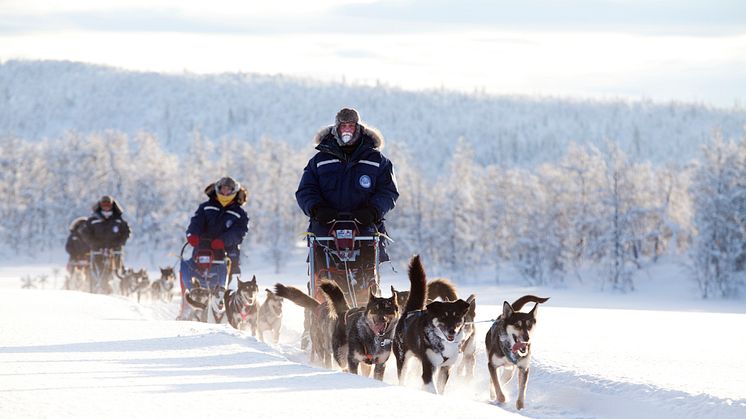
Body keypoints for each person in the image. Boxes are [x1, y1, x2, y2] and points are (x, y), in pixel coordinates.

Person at [296, 107, 399, 299]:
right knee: (322, 280)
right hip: (325, 229)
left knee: (366, 281)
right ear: (336, 128)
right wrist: (317, 209)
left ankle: (365, 318)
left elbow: (388, 191)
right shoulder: (319, 160)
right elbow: (305, 191)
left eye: (351, 126)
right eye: (344, 125)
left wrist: (373, 211)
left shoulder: (377, 160)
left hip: (365, 229)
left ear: (359, 128)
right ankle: (317, 321)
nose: (347, 130)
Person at [181, 176, 249, 296]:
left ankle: (225, 301)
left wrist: (223, 240)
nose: (225, 192)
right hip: (203, 248)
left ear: (234, 191)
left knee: (231, 277)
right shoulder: (205, 207)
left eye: (228, 190)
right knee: (186, 266)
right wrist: (192, 235)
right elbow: (196, 222)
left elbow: (239, 232)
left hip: (227, 251)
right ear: (218, 189)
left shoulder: (240, 213)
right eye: (223, 189)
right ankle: (188, 297)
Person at [80, 195, 131, 292]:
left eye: (108, 204)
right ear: (100, 205)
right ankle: (99, 287)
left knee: (114, 270)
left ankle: (113, 287)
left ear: (112, 205)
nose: (106, 206)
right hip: (97, 250)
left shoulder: (118, 220)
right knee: (98, 270)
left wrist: (118, 244)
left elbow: (126, 233)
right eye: (104, 204)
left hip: (115, 250)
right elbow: (85, 233)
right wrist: (94, 244)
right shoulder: (93, 220)